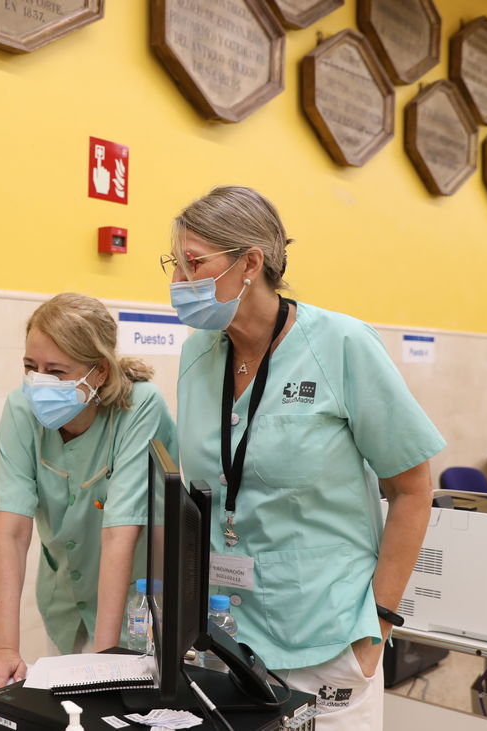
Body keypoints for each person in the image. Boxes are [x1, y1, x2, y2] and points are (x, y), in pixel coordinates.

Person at [166, 187, 444, 729]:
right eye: (173, 265)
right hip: (229, 639)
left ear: (251, 263)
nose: (178, 283)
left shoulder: (341, 344)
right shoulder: (198, 352)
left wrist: (378, 626)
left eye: (193, 263)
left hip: (329, 639)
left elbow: (412, 491)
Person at [0, 293, 177, 692]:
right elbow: (10, 532)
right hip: (66, 601)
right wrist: (3, 648)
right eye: (31, 367)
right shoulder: (21, 410)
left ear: (99, 372)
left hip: (138, 606)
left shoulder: (139, 406)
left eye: (57, 371)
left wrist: (104, 657)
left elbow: (120, 531)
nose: (39, 382)